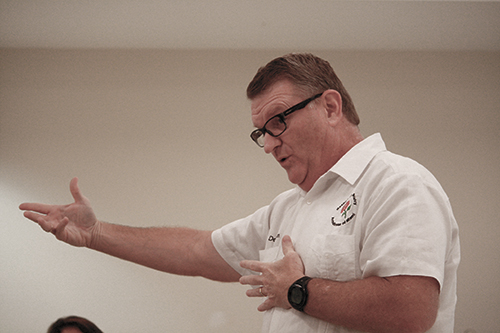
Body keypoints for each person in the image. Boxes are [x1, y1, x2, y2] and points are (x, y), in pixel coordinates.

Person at [20, 53, 460, 333]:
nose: (268, 144)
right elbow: (196, 251)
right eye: (260, 133)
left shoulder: (398, 182)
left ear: (330, 106)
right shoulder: (287, 209)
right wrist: (97, 235)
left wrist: (299, 289)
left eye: (278, 122)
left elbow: (411, 310)